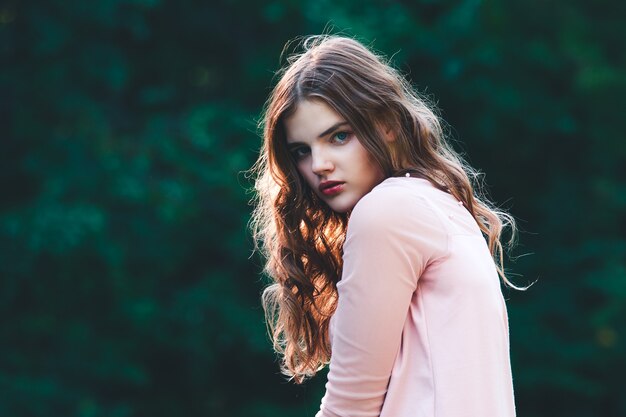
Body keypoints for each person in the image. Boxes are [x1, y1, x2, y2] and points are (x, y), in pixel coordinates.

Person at [249, 34, 523, 417]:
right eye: (302, 151)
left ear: (387, 125)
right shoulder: (439, 204)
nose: (319, 164)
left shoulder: (387, 211)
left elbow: (350, 407)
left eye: (339, 136)